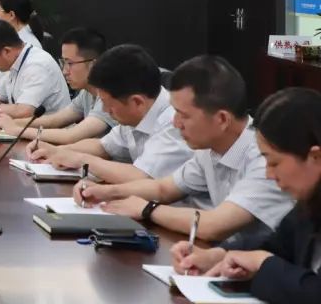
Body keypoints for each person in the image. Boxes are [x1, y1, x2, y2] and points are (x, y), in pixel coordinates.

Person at [75, 55, 294, 247]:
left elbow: (214, 225)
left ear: (222, 119)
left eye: (184, 115)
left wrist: (147, 210)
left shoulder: (265, 159)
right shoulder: (209, 149)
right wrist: (106, 192)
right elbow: (163, 188)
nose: (175, 122)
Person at [172, 88, 321, 303]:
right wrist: (218, 256)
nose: (269, 174)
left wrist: (263, 263)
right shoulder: (309, 205)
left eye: (274, 162)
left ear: (315, 157)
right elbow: (275, 246)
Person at [28, 44, 192, 182]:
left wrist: (81, 160)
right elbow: (103, 146)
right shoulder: (135, 112)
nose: (105, 111)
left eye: (108, 104)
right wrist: (57, 151)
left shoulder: (174, 121)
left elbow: (142, 177)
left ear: (136, 102)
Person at [0, 28, 115, 144]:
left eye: (70, 63)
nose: (64, 71)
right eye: (63, 62)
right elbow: (54, 120)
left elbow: (70, 136)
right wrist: (11, 123)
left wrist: (17, 129)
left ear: (93, 65)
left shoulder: (110, 95)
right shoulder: (86, 93)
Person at [0, 19, 70, 118]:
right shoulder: (18, 59)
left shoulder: (37, 65)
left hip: (50, 132)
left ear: (6, 51)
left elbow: (24, 111)